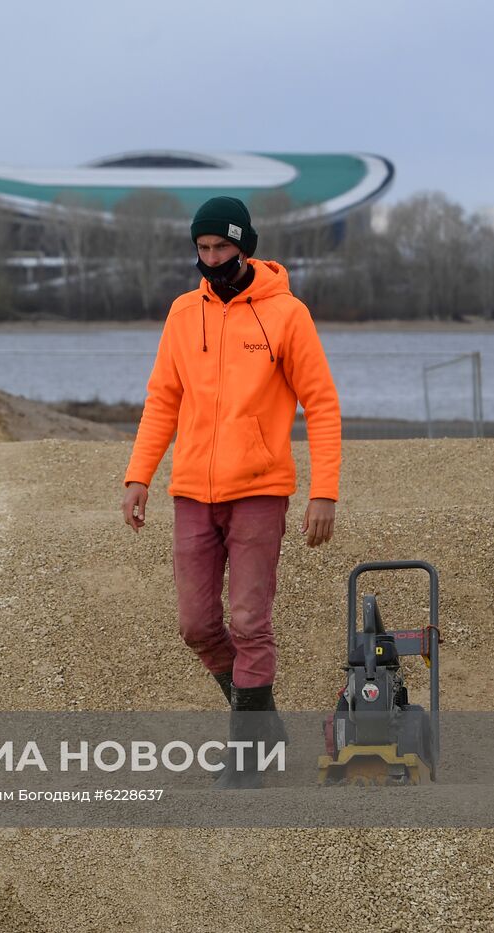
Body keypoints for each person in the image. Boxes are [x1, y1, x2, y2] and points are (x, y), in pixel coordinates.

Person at [120, 196, 341, 789]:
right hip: (192, 489)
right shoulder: (181, 313)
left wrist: (325, 491)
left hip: (260, 489)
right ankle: (262, 721)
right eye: (203, 248)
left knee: (248, 618)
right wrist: (139, 475)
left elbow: (320, 404)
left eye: (222, 248)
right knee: (196, 625)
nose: (211, 259)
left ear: (246, 248)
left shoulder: (287, 315)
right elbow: (163, 399)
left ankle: (246, 756)